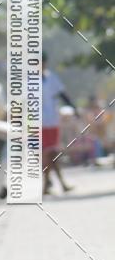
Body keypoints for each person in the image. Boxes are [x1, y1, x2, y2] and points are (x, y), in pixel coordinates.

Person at [42, 52, 77, 194]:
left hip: (52, 120)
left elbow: (63, 94)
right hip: (38, 122)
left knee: (52, 153)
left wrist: (74, 107)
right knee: (48, 153)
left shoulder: (51, 78)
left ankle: (50, 184)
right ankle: (55, 183)